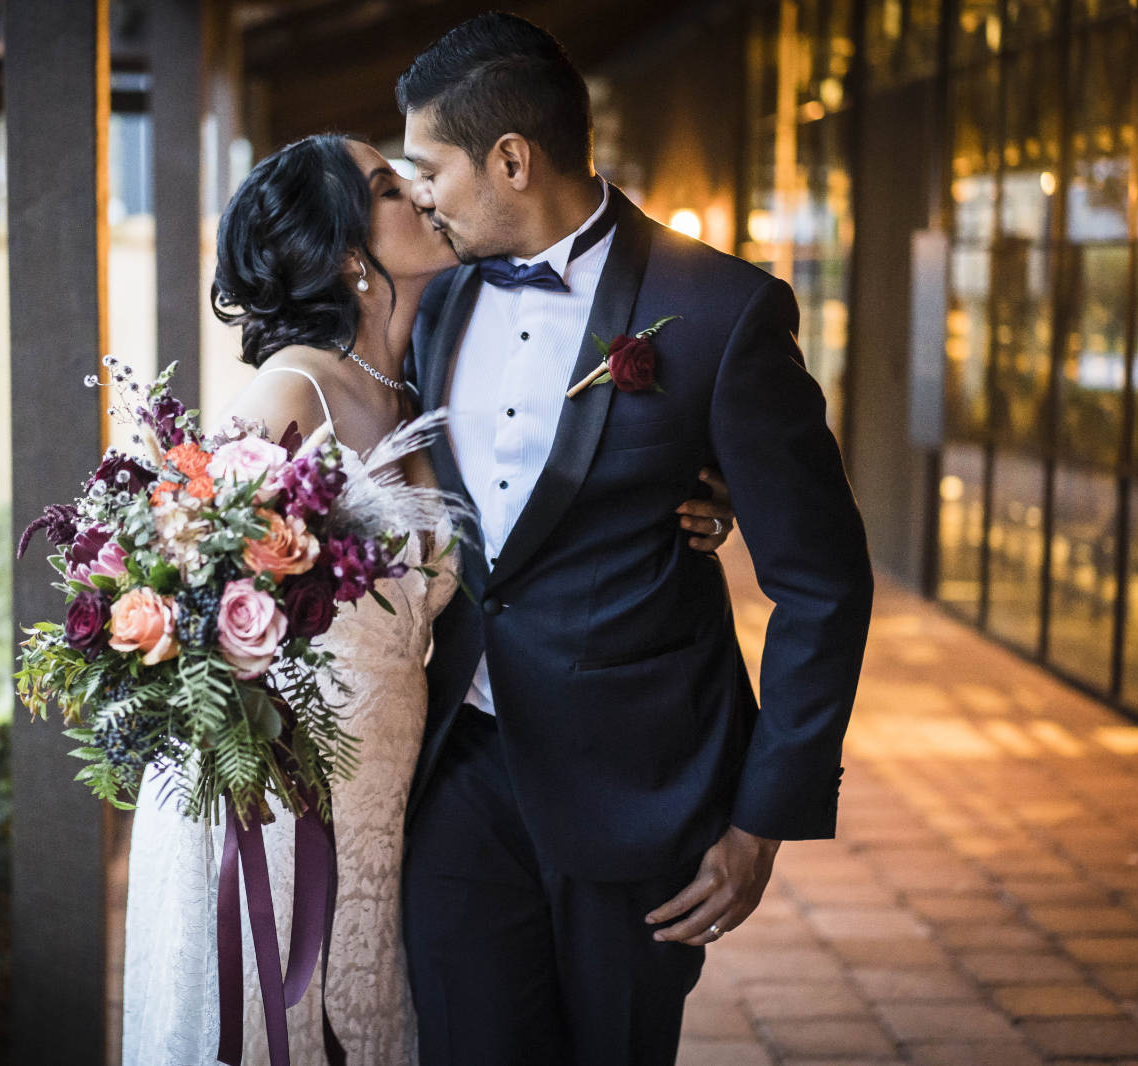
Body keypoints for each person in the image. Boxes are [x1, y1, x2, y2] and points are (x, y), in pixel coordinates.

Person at [120, 132, 737, 1065]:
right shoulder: (287, 396)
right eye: (384, 186)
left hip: (399, 791)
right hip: (290, 799)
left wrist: (691, 495)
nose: (417, 193)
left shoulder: (424, 368)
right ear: (343, 253)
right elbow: (182, 591)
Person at [397, 14, 875, 1066]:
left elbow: (824, 582)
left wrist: (764, 816)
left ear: (510, 159)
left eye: (427, 166)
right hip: (462, 771)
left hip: (642, 785)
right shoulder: (435, 310)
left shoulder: (719, 312)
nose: (418, 191)